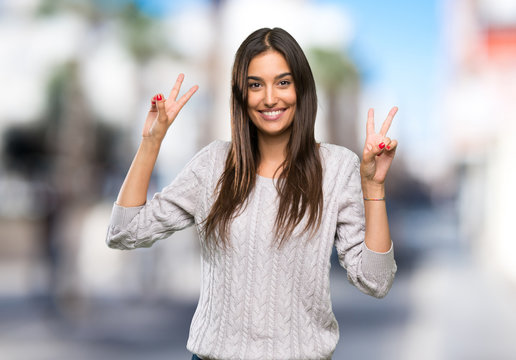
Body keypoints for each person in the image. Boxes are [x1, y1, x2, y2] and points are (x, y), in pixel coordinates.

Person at [106, 27, 398, 360]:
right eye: (255, 84)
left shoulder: (336, 167)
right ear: (241, 94)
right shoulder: (213, 165)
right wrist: (151, 141)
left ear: (302, 89)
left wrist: (374, 187)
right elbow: (123, 232)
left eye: (283, 82)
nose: (270, 97)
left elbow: (375, 281)